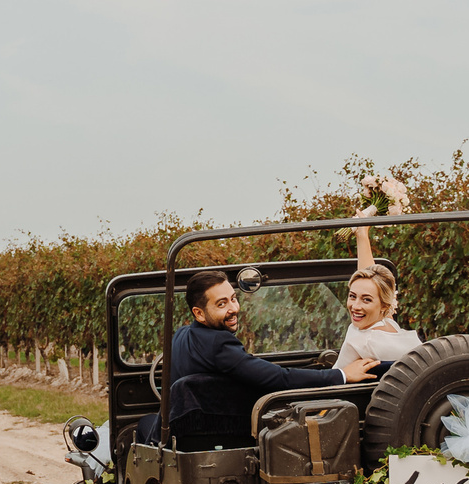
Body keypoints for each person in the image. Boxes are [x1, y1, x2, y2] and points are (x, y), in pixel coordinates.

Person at [167, 268, 373, 448]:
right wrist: (341, 375)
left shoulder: (181, 335)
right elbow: (278, 379)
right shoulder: (219, 343)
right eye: (222, 304)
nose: (234, 309)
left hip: (193, 437)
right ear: (199, 313)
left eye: (233, 298)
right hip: (231, 438)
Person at [338, 174, 423, 374]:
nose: (355, 306)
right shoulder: (387, 324)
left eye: (366, 300)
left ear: (384, 306)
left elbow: (332, 380)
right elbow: (368, 278)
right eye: (352, 296)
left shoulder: (364, 342)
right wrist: (362, 234)